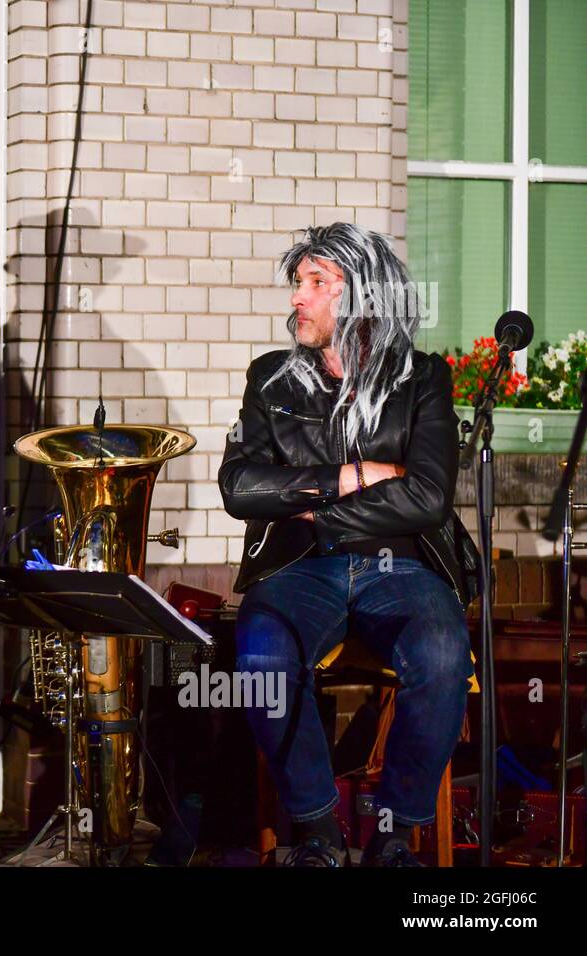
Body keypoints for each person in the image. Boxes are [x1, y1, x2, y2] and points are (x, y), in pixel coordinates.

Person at [218, 222, 475, 867]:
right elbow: (241, 486)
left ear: (361, 295)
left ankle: (392, 833)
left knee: (443, 653)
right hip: (300, 567)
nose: (296, 299)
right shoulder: (272, 378)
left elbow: (428, 497)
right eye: (297, 283)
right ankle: (318, 833)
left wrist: (322, 514)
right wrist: (351, 477)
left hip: (404, 566)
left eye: (316, 283)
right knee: (260, 662)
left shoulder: (423, 378)